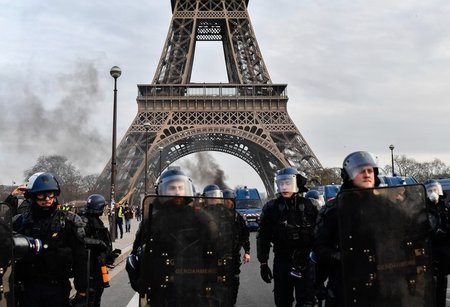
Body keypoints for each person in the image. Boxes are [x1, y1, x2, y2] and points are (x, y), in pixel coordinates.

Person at [126, 169, 218, 306]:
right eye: (172, 188)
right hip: (161, 292)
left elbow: (214, 254)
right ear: (161, 191)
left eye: (181, 187)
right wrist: (140, 282)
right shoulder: (151, 221)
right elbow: (137, 255)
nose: (177, 192)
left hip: (193, 292)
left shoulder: (203, 220)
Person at [312, 151, 381, 306]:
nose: (367, 174)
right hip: (346, 280)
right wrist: (338, 257)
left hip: (380, 279)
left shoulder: (387, 205)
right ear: (349, 176)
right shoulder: (333, 210)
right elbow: (320, 248)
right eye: (361, 171)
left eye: (370, 171)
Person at [12, 172, 88, 307]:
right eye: (41, 195)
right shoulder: (22, 220)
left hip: (57, 287)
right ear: (33, 196)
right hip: (29, 287)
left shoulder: (69, 220)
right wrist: (11, 198)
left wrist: (82, 290)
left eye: (50, 194)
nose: (47, 198)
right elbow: (5, 235)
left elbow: (80, 257)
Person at [257, 167, 318, 307]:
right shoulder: (270, 208)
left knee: (307, 301)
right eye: (281, 183)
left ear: (297, 183)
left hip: (306, 260)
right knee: (282, 300)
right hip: (282, 260)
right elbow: (263, 236)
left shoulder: (311, 206)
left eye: (288, 183)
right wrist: (263, 262)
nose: (284, 187)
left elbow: (322, 234)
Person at [80, 194, 120, 307]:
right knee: (91, 296)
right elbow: (81, 239)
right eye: (103, 207)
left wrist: (109, 255)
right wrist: (98, 244)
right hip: (90, 264)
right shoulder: (85, 220)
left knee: (98, 292)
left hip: (98, 263)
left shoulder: (95, 220)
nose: (104, 210)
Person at [424, 179, 450, 307]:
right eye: (429, 190)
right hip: (431, 251)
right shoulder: (424, 209)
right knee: (431, 284)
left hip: (445, 252)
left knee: (442, 282)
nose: (433, 193)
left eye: (435, 190)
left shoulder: (445, 207)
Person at [223, 188, 251, 306]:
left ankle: (231, 302)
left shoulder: (238, 217)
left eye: (229, 200)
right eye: (225, 200)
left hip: (234, 254)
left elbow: (245, 235)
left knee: (234, 279)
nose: (227, 203)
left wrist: (247, 251)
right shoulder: (214, 215)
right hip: (218, 253)